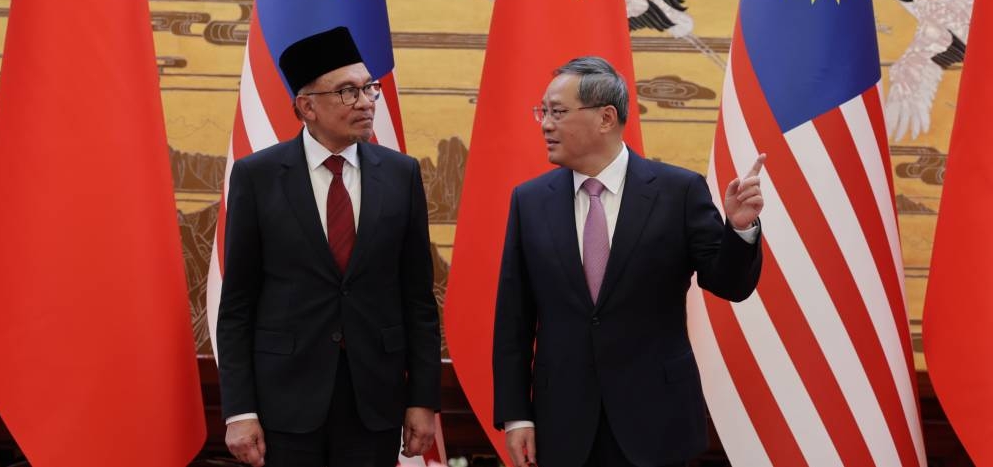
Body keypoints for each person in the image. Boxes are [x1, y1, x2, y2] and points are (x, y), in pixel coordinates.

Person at [493, 56, 765, 467]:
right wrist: (517, 416)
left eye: (558, 112)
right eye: (542, 112)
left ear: (606, 118)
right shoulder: (530, 202)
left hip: (657, 421)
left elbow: (730, 284)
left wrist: (739, 229)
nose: (546, 124)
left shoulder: (679, 192)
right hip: (563, 422)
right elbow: (513, 320)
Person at [217, 26, 441, 467]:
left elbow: (418, 299)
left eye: (369, 88)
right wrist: (240, 412)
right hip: (285, 402)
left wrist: (422, 399)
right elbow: (238, 304)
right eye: (347, 91)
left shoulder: (401, 175)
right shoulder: (258, 177)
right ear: (307, 107)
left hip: (373, 400)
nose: (366, 102)